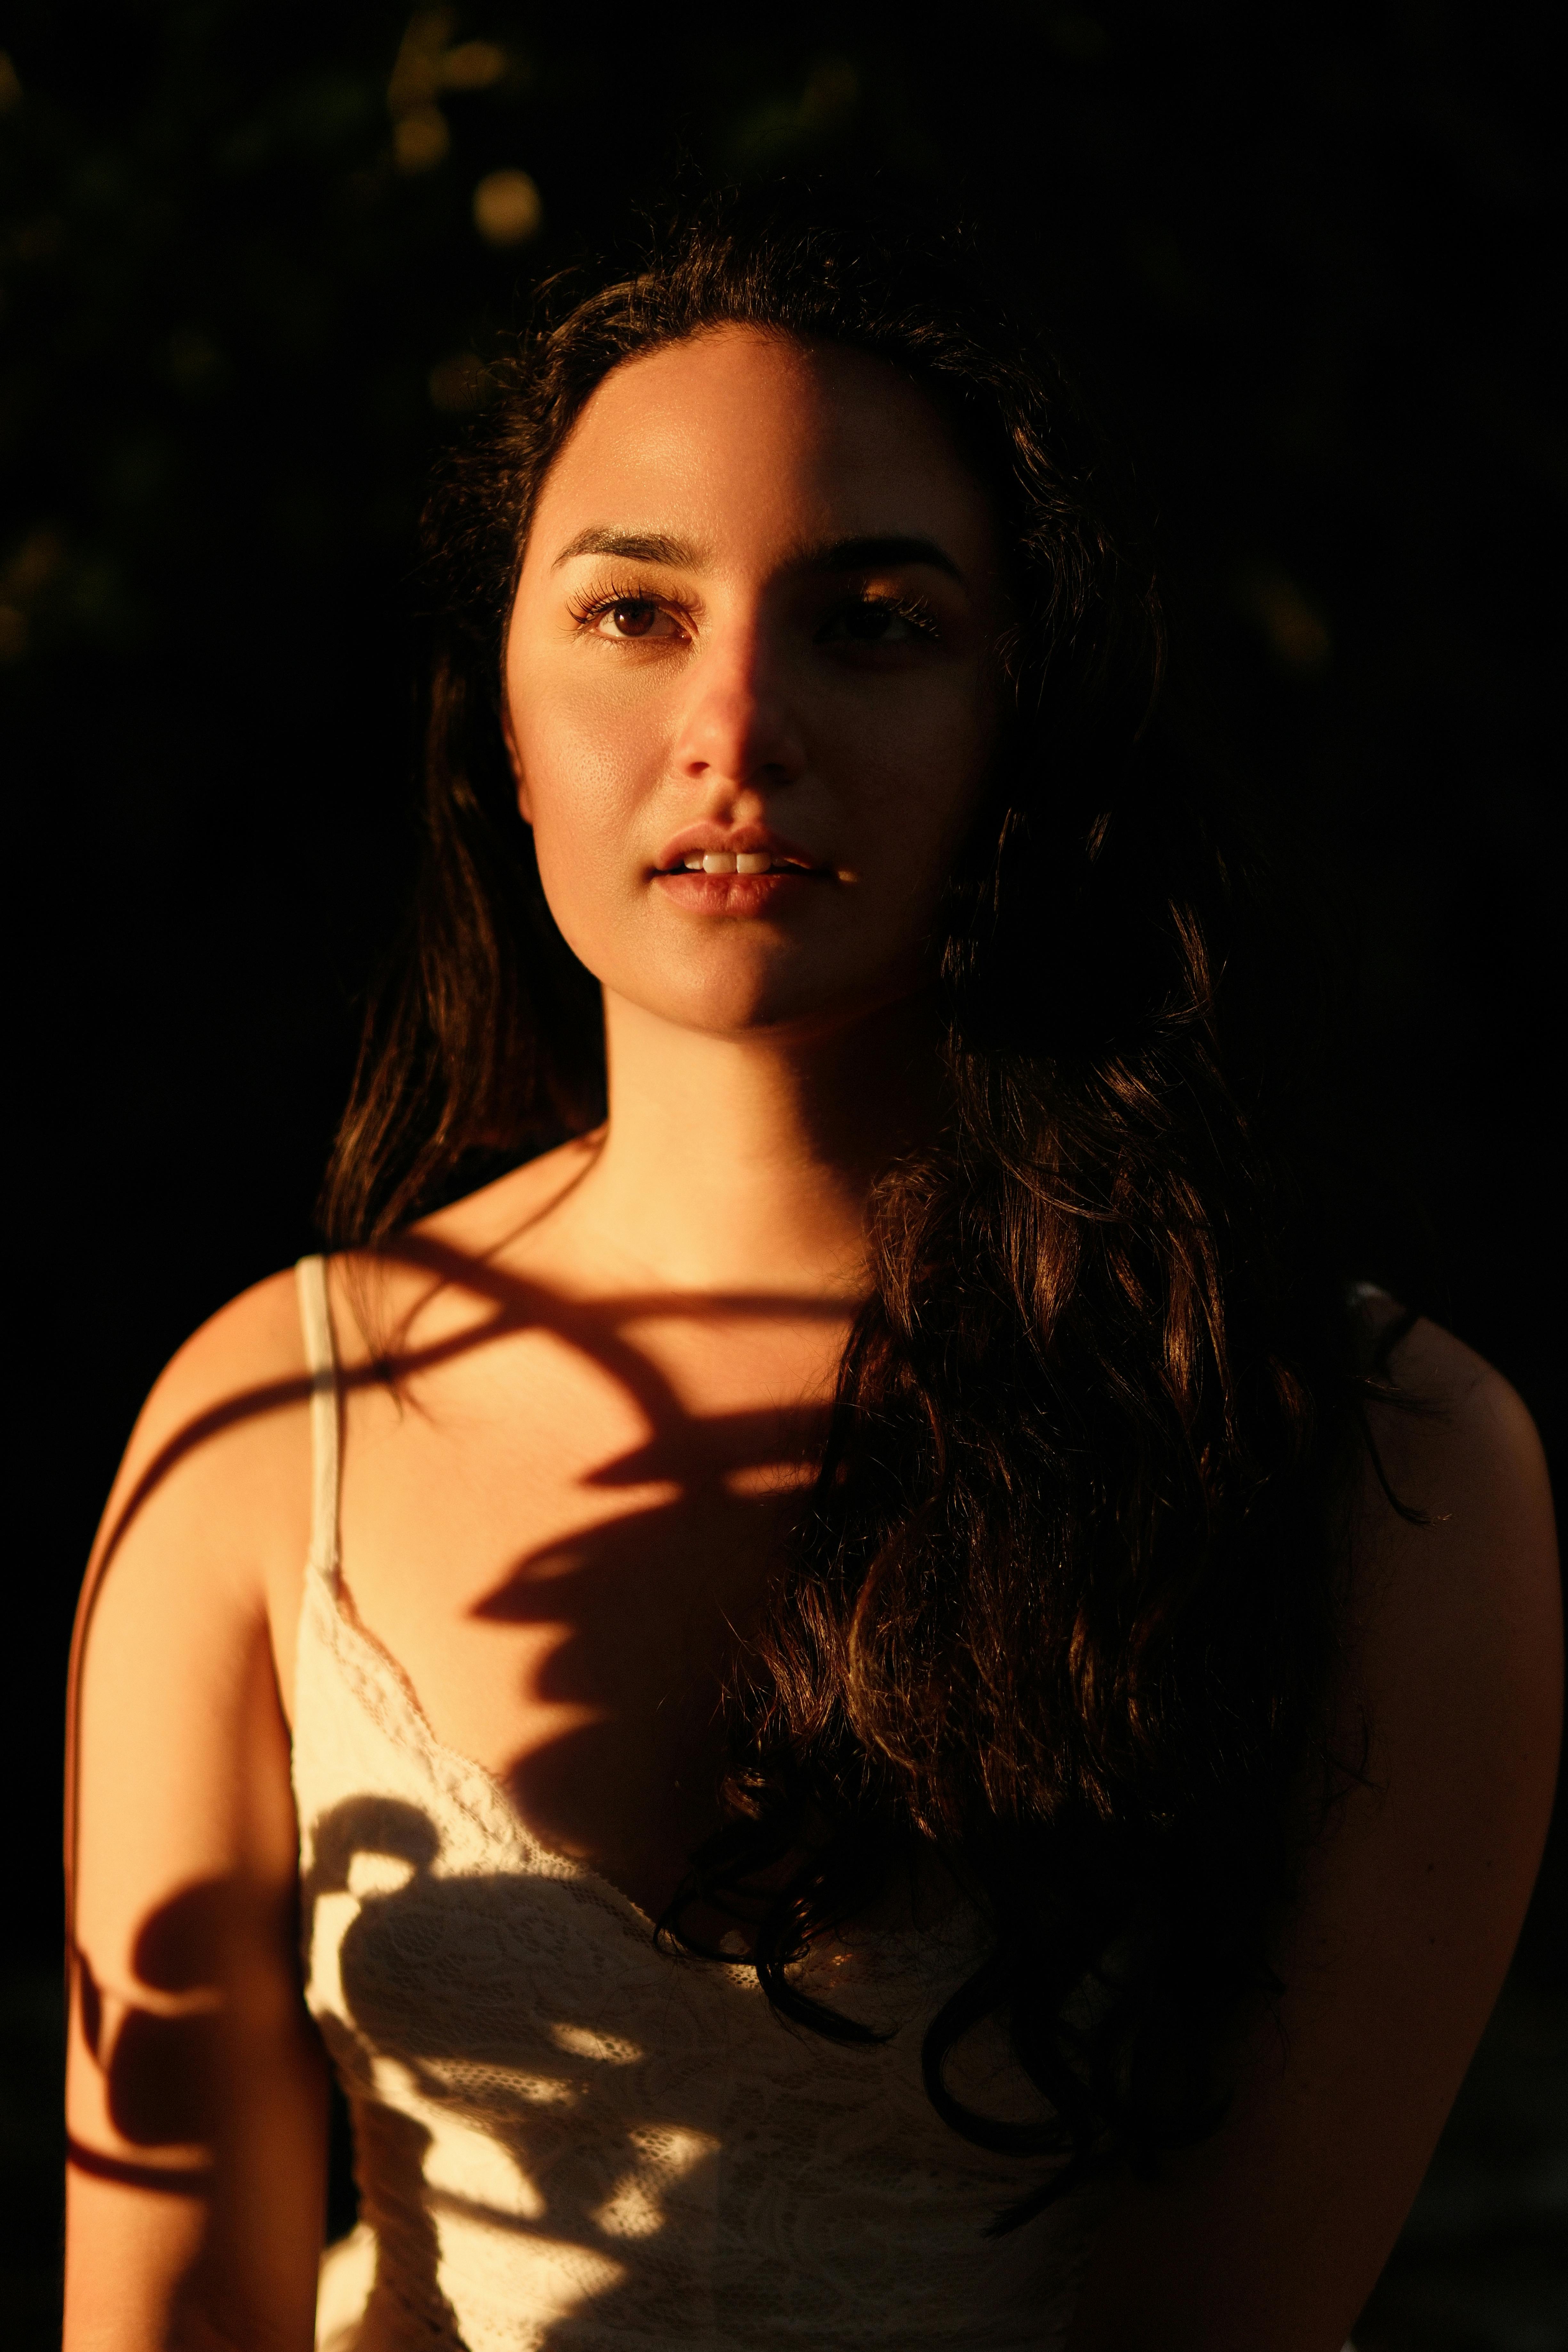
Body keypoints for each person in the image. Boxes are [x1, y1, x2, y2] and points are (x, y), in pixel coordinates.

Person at [63, 187, 1560, 2352]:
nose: (736, 725)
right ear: (502, 701)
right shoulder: (264, 1432)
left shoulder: (1385, 1470)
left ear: (1020, 713)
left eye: (871, 618)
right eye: (633, 613)